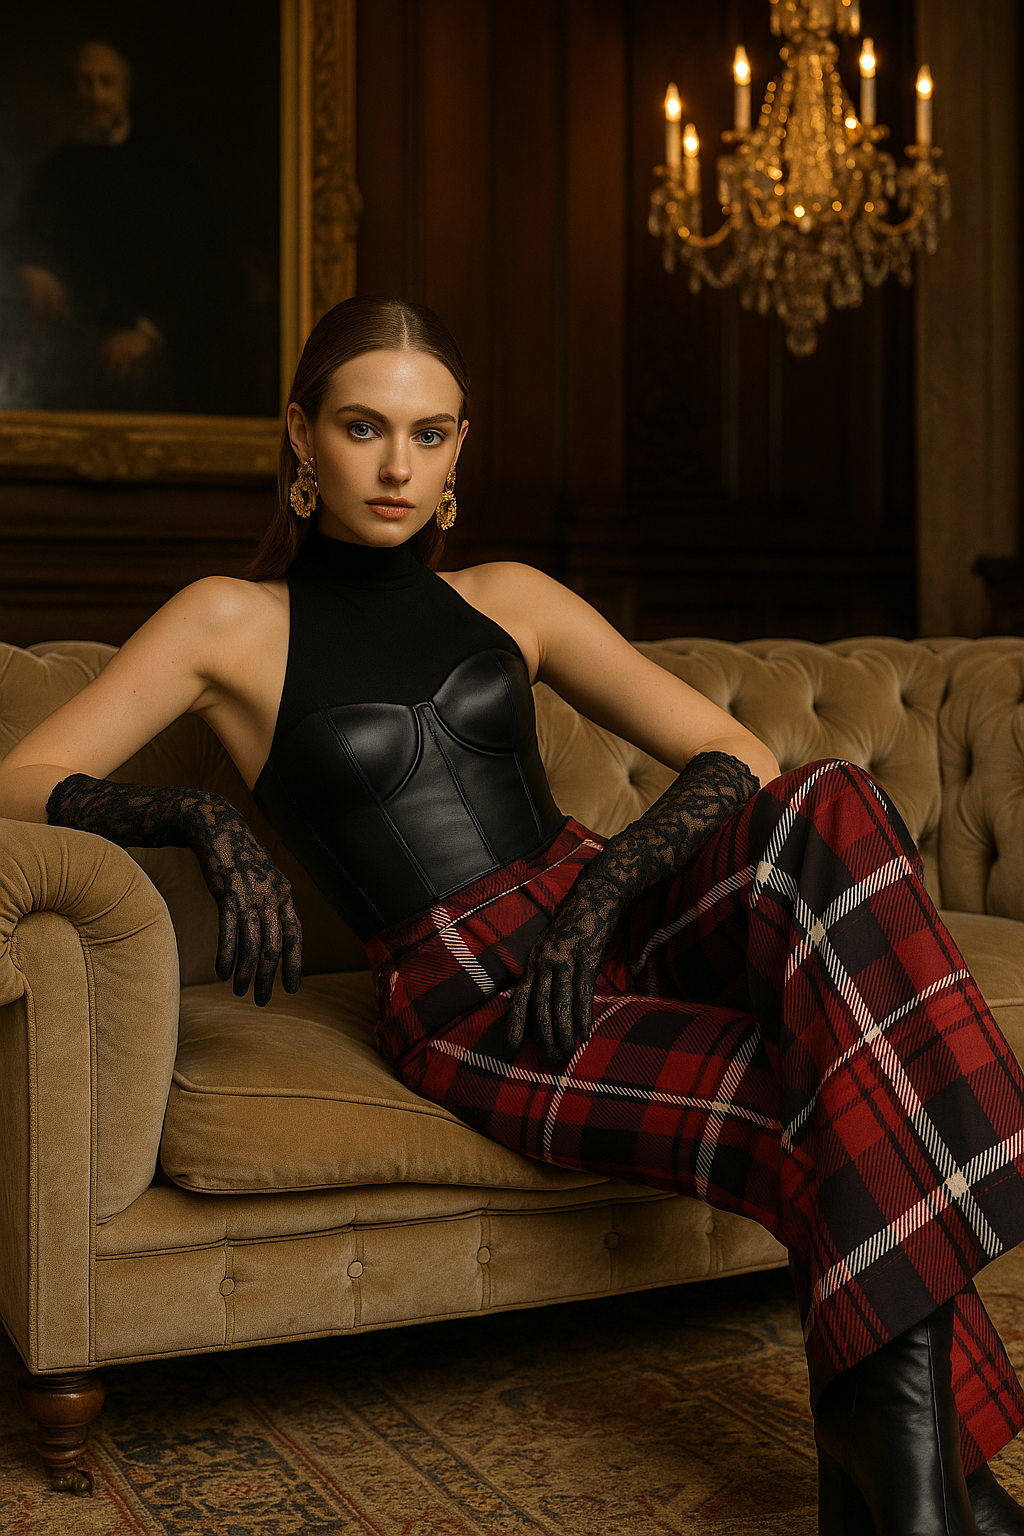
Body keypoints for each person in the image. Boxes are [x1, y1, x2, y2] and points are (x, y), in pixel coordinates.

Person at [2, 295, 1024, 1535]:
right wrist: (199, 821)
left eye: (428, 435)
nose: (395, 465)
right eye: (364, 427)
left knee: (835, 797)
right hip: (470, 992)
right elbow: (16, 775)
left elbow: (734, 756)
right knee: (819, 1098)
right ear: (299, 435)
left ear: (458, 450)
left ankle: (906, 1476)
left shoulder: (512, 597)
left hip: (614, 909)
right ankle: (927, 1484)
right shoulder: (228, 620)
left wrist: (603, 887)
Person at [6, 40, 168, 409]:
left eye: (105, 82)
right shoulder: (56, 169)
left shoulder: (160, 169)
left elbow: (186, 267)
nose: (94, 95)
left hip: (136, 343)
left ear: (125, 90)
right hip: (68, 337)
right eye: (84, 82)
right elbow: (18, 240)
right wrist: (29, 271)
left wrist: (146, 331)